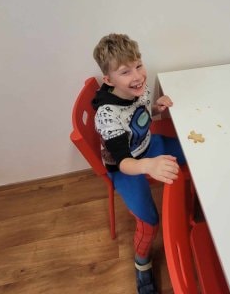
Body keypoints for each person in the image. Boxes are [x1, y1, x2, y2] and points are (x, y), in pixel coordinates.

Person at [92, 33, 186, 294]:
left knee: (193, 152)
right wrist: (148, 166)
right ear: (108, 80)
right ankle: (142, 264)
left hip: (148, 145)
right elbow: (123, 162)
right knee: (149, 222)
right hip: (126, 167)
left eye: (138, 65)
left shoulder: (138, 88)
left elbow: (140, 116)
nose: (137, 76)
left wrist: (156, 108)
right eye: (125, 72)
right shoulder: (107, 115)